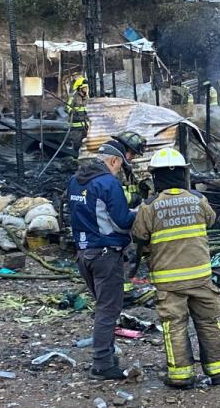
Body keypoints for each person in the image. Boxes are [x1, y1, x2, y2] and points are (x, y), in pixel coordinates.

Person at [131, 148, 220, 388]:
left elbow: (139, 236)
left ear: (156, 177)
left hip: (169, 281)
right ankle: (217, 372)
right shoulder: (198, 199)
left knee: (174, 325)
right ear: (183, 174)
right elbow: (211, 220)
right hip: (201, 276)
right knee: (208, 322)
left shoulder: (150, 206)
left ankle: (181, 376)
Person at [66, 140, 135, 380]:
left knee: (103, 307)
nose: (119, 171)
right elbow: (122, 221)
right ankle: (103, 364)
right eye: (120, 166)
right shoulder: (108, 183)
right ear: (114, 161)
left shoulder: (75, 181)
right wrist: (139, 214)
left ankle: (106, 356)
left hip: (83, 254)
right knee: (108, 310)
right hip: (106, 254)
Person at [111, 131, 149, 207]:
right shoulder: (112, 168)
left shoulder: (127, 169)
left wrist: (141, 189)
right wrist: (134, 198)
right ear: (122, 149)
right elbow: (113, 195)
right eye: (132, 153)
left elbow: (130, 189)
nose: (133, 157)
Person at [65, 77, 91, 160]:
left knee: (86, 144)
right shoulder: (73, 97)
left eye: (86, 87)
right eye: (84, 87)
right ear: (80, 88)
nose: (86, 89)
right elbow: (67, 107)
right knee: (77, 145)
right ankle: (76, 159)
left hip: (85, 126)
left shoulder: (87, 98)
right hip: (75, 127)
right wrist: (72, 111)